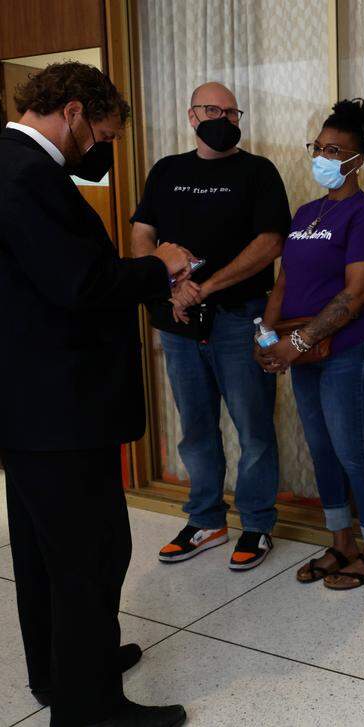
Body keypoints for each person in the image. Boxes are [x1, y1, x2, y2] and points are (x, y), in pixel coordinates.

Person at [0, 62, 190, 727]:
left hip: (28, 407)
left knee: (42, 551)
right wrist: (157, 268)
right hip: (60, 409)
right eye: (101, 133)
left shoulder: (10, 163)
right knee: (92, 554)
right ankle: (91, 711)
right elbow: (78, 284)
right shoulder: (26, 174)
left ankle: (62, 671)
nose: (100, 149)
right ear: (73, 111)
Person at [131, 82, 292, 571]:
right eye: (212, 109)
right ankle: (206, 519)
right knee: (195, 427)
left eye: (231, 111)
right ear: (191, 114)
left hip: (240, 318)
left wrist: (207, 285)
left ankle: (258, 523)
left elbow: (271, 243)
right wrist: (168, 287)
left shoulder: (258, 172)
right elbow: (142, 232)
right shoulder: (167, 170)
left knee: (254, 427)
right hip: (178, 321)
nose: (223, 117)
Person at [256, 98, 364, 590]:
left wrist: (298, 340)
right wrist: (268, 337)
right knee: (320, 449)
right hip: (304, 346)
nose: (322, 156)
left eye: (335, 150)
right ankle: (341, 542)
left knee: (353, 450)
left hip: (354, 346)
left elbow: (357, 295)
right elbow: (284, 280)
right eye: (319, 146)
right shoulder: (306, 211)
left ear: (358, 161)